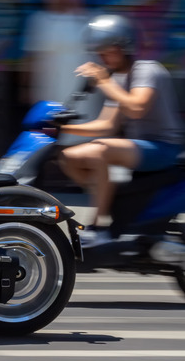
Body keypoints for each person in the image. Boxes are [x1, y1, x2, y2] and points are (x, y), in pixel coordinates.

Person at [58, 14, 184, 246]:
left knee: (100, 151)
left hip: (163, 147)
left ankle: (99, 228)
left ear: (124, 46)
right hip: (139, 149)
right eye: (99, 52)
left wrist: (104, 81)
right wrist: (62, 129)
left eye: (106, 50)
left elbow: (136, 107)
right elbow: (107, 125)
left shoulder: (148, 70)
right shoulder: (119, 80)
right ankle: (112, 198)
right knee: (69, 157)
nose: (101, 57)